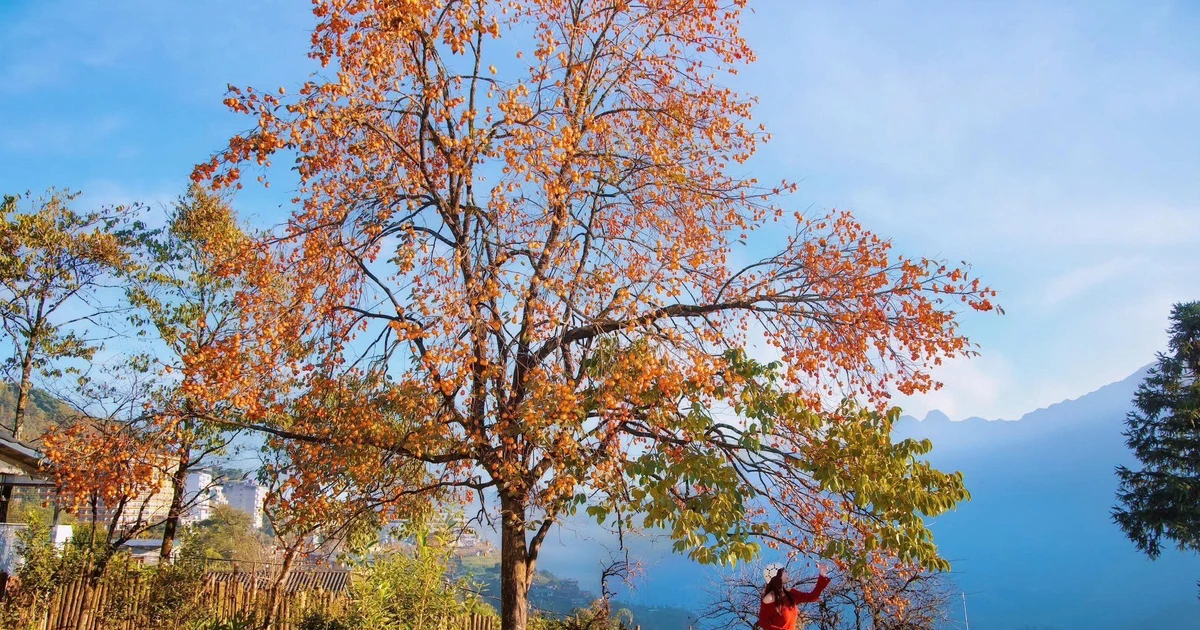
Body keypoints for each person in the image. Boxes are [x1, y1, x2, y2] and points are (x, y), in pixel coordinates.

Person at [756, 564, 831, 630]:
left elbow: (812, 597)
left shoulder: (791, 594)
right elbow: (763, 623)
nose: (786, 573)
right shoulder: (769, 599)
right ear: (776, 576)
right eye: (783, 572)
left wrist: (822, 574)